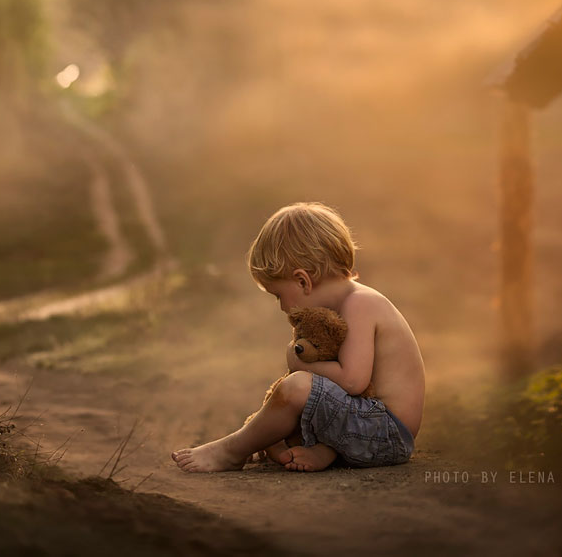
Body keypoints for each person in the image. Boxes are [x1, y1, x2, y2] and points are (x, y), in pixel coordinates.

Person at [171, 202, 425, 473]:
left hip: (386, 435)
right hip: (367, 427)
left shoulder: (360, 303)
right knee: (296, 395)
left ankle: (232, 450)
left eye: (279, 295)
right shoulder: (342, 308)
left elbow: (352, 381)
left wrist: (299, 364)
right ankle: (317, 449)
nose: (281, 307)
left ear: (303, 281)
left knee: (297, 388)